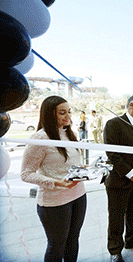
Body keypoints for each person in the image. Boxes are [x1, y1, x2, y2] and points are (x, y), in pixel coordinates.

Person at [21, 95, 86, 262]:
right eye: (62, 112)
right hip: (55, 202)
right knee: (56, 247)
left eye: (69, 112)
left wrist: (84, 170)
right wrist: (57, 182)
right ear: (49, 114)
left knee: (73, 241)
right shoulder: (40, 138)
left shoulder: (69, 133)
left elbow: (68, 165)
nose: (68, 116)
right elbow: (26, 173)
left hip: (79, 196)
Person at [103, 94, 133, 262]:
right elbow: (113, 154)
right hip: (119, 180)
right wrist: (131, 173)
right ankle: (115, 250)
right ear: (131, 105)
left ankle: (132, 239)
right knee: (116, 217)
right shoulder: (114, 124)